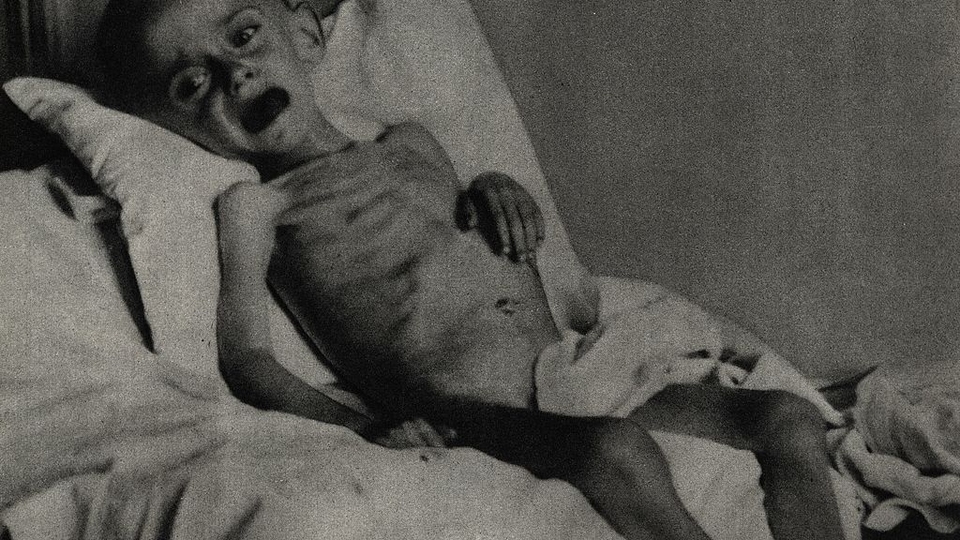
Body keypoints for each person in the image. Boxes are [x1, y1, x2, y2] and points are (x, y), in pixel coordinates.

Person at [94, 0, 847, 538]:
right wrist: (361, 425)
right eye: (192, 84)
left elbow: (455, 221)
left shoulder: (410, 143)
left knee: (787, 417)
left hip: (571, 368)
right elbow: (247, 358)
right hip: (469, 409)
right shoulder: (257, 208)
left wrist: (498, 188)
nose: (233, 74)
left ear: (306, 33)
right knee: (614, 451)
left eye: (243, 35)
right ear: (171, 128)